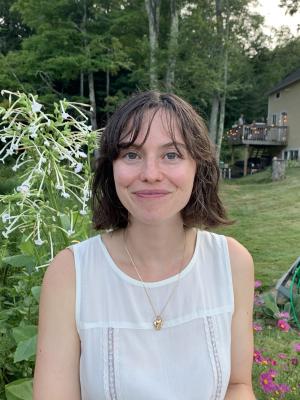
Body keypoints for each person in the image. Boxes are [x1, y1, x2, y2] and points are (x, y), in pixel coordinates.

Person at [33, 91, 256, 400]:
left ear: (198, 166)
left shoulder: (232, 263)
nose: (150, 174)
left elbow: (238, 385)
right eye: (132, 155)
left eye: (172, 154)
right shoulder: (70, 274)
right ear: (111, 167)